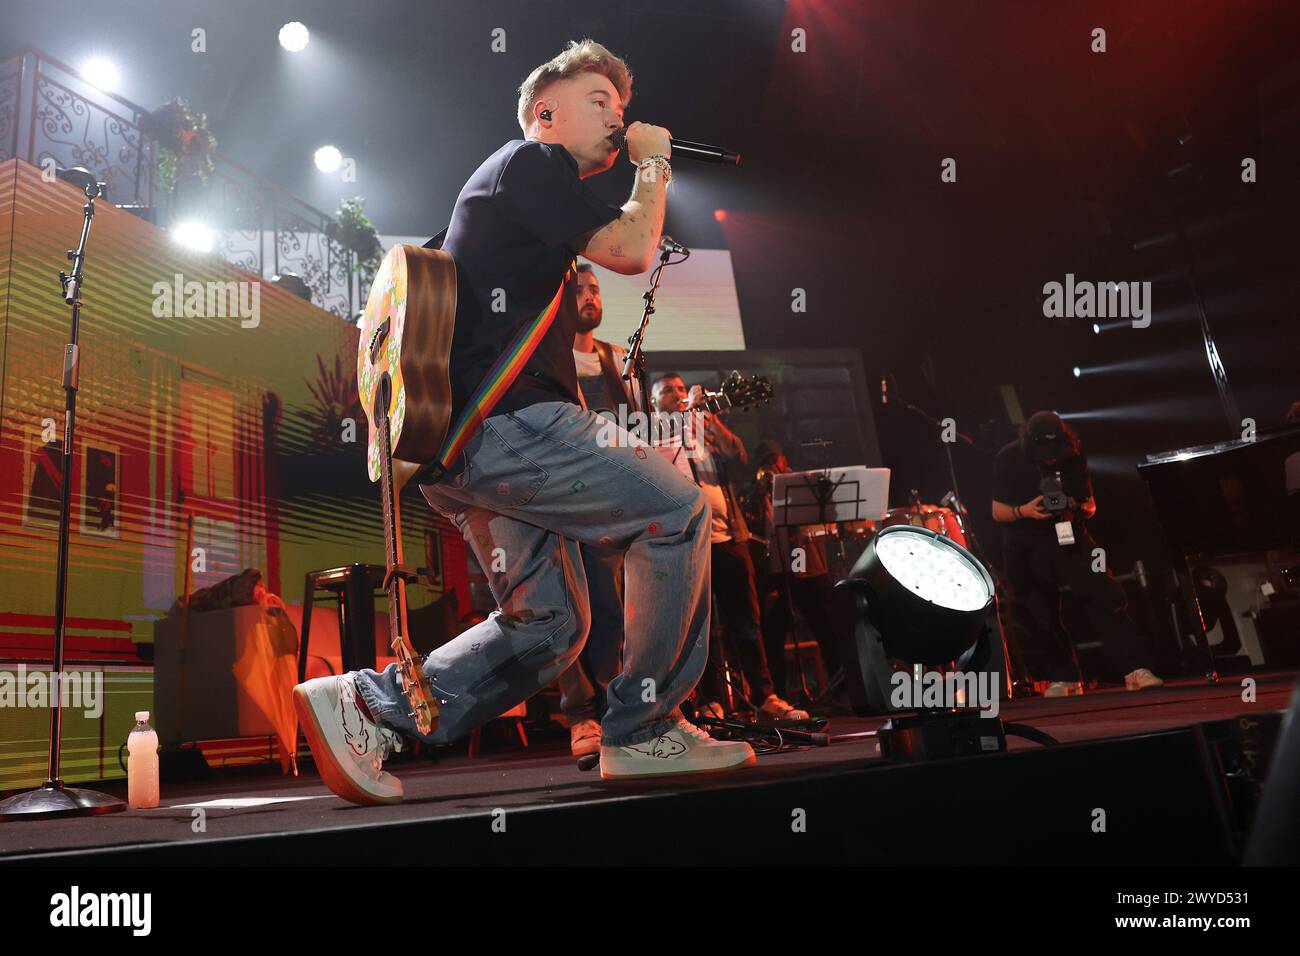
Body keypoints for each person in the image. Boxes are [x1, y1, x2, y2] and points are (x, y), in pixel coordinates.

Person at [293, 40, 755, 805]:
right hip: (509, 426)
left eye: (622, 106)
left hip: (465, 452)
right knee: (676, 508)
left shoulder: (517, 199)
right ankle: (643, 731)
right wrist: (654, 163)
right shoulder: (529, 161)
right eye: (599, 101)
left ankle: (369, 705)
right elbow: (636, 247)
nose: (618, 116)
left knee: (550, 626)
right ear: (547, 113)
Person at [649, 373, 808, 722]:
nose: (677, 394)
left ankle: (765, 697)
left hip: (728, 537)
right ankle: (710, 701)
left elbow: (737, 454)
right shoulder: (651, 431)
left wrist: (710, 417)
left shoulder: (705, 424)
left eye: (680, 388)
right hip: (685, 541)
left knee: (746, 622)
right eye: (668, 391)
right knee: (697, 627)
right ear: (652, 400)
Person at [991, 411, 1163, 697]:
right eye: (1044, 454)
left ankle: (1135, 669)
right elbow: (997, 512)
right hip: (1025, 540)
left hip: (1069, 533)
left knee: (1105, 594)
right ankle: (1064, 678)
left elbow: (1090, 504)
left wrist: (1073, 504)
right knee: (1038, 610)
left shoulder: (1074, 454)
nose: (1050, 459)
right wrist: (1026, 511)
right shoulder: (1008, 458)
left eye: (1054, 452)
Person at [558, 263, 641, 756]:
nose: (590, 297)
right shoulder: (547, 357)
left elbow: (633, 428)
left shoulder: (615, 359)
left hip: (607, 502)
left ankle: (613, 707)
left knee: (610, 609)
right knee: (565, 608)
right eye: (581, 290)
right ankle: (579, 716)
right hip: (557, 497)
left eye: (596, 290)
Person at [746, 440, 845, 702]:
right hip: (778, 572)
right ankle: (776, 696)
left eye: (774, 462)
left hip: (809, 567)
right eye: (766, 464)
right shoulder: (756, 495)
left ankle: (842, 690)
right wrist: (759, 495)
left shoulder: (802, 486)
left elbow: (825, 519)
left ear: (783, 461)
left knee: (828, 628)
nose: (771, 469)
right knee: (771, 635)